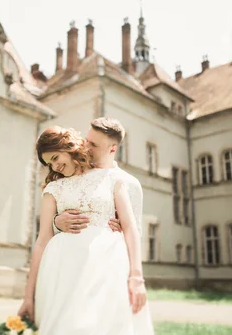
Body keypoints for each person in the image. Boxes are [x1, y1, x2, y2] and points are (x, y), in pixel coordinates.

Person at [17, 125, 154, 334]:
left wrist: (137, 277)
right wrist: (28, 297)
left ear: (69, 147)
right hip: (62, 271)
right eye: (49, 164)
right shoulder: (54, 189)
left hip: (107, 267)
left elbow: (131, 229)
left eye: (55, 158)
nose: (54, 167)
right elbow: (42, 241)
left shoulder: (112, 178)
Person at [52, 117, 142, 236]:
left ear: (113, 148)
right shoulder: (72, 171)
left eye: (94, 144)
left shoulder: (130, 183)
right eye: (87, 140)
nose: (86, 147)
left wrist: (122, 231)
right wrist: (56, 223)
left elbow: (135, 232)